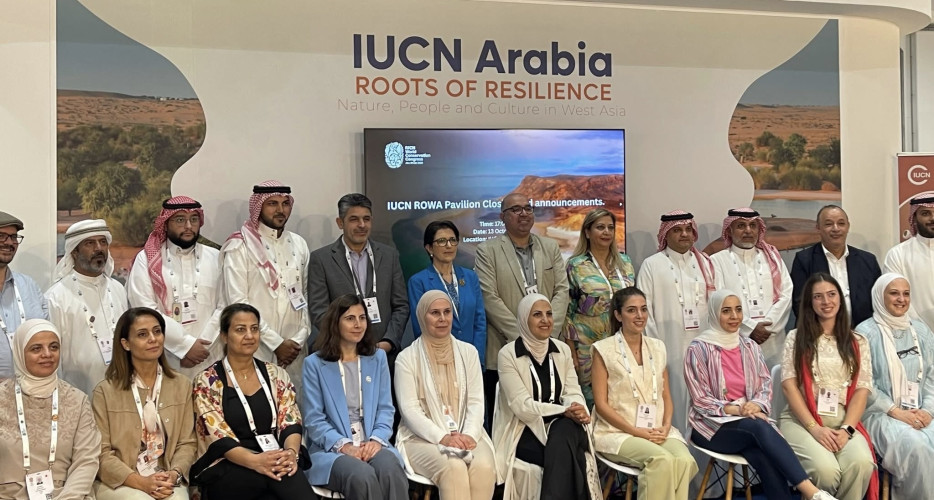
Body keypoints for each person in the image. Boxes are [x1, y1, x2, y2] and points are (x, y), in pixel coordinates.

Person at [684, 289, 838, 500]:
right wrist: (738, 409)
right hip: (709, 427)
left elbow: (765, 385)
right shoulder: (698, 349)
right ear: (714, 313)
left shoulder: (749, 346)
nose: (734, 316)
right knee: (759, 428)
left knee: (761, 454)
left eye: (738, 310)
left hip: (748, 422)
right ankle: (812, 492)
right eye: (726, 311)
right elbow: (701, 400)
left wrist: (756, 404)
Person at [190, 303, 315, 499]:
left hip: (276, 458)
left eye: (254, 329)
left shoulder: (276, 374)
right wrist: (255, 461)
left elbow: (290, 419)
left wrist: (291, 453)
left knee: (296, 485)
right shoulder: (207, 381)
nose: (249, 335)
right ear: (224, 336)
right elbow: (216, 434)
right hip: (230, 464)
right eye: (241, 330)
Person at [492, 293, 601, 500]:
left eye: (549, 314)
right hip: (526, 426)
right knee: (568, 454)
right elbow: (522, 406)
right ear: (524, 319)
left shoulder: (562, 349)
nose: (545, 320)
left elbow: (573, 391)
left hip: (564, 425)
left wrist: (576, 407)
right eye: (537, 315)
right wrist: (563, 410)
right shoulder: (508, 354)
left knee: (564, 433)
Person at [591, 287, 696, 500]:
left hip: (656, 429)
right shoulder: (604, 350)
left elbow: (666, 395)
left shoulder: (658, 347)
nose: (639, 315)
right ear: (618, 315)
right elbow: (601, 405)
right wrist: (636, 431)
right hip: (617, 432)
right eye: (631, 310)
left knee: (685, 461)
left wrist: (666, 426)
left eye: (643, 309)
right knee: (661, 460)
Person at [780, 273, 877, 500]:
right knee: (826, 472)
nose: (826, 301)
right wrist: (815, 428)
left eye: (832, 294)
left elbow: (862, 390)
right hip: (802, 420)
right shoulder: (796, 338)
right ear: (810, 302)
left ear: (840, 298)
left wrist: (847, 430)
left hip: (843, 420)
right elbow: (789, 387)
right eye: (818, 296)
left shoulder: (858, 341)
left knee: (861, 463)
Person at [476, 192, 569, 427]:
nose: (524, 214)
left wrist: (547, 333)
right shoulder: (487, 250)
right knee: (509, 423)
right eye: (516, 210)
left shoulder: (549, 247)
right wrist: (523, 338)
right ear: (502, 217)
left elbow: (562, 290)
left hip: (548, 350)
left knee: (551, 419)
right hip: (507, 348)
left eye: (528, 208)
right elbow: (489, 298)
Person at [301, 294, 407, 499]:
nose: (358, 324)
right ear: (335, 323)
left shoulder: (378, 357)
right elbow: (314, 420)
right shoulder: (314, 364)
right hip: (331, 449)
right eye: (350, 318)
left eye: (362, 318)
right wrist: (345, 446)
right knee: (362, 475)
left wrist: (376, 440)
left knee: (390, 468)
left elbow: (386, 409)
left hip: (371, 441)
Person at [394, 290, 496, 500]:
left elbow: (476, 401)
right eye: (435, 313)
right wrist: (443, 438)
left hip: (468, 432)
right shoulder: (406, 358)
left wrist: (469, 435)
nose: (442, 318)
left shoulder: (469, 353)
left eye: (447, 312)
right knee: (454, 467)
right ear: (422, 316)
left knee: (484, 466)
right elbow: (410, 410)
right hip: (422, 438)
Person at [91, 307, 197, 500]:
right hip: (122, 481)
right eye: (142, 334)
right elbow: (101, 454)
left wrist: (174, 474)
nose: (153, 339)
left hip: (166, 477)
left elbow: (187, 443)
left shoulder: (182, 385)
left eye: (157, 331)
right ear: (126, 344)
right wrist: (141, 482)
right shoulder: (105, 392)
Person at [219, 181, 310, 388]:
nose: (280, 210)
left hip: (294, 351)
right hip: (256, 347)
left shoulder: (299, 244)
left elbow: (304, 296)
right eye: (272, 204)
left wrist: (298, 340)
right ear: (258, 206)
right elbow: (238, 304)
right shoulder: (240, 246)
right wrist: (277, 344)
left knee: (292, 403)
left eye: (285, 204)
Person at [0, 319, 100, 499]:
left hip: (68, 494)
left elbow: (86, 461)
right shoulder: (2, 398)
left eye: (54, 347)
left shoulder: (77, 400)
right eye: (36, 349)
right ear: (20, 353)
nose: (47, 354)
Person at [635, 210, 716, 433]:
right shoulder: (651, 265)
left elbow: (716, 305)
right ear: (666, 234)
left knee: (703, 396)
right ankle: (677, 440)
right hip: (667, 346)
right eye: (677, 230)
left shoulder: (706, 263)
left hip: (703, 347)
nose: (684, 234)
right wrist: (655, 349)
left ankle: (703, 446)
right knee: (673, 397)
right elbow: (644, 311)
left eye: (688, 229)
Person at [855, 273, 934, 499]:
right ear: (880, 296)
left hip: (921, 411)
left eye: (906, 294)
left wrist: (928, 410)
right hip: (880, 414)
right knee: (916, 446)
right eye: (894, 293)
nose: (901, 299)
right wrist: (897, 412)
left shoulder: (921, 331)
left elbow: (931, 375)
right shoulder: (865, 333)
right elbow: (864, 384)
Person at [127, 196, 224, 378]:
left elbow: (225, 304)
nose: (188, 226)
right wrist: (185, 346)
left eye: (194, 219)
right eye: (180, 220)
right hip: (166, 357)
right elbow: (145, 308)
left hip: (210, 356)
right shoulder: (147, 259)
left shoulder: (215, 257)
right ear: (165, 224)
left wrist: (203, 346)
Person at [308, 193, 409, 361]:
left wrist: (388, 342)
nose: (362, 225)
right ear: (340, 223)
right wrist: (347, 343)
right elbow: (319, 310)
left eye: (366, 219)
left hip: (383, 354)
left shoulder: (389, 255)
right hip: (340, 354)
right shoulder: (321, 259)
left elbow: (401, 306)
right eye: (354, 219)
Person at [46, 219, 129, 395]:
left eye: (103, 242)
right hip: (78, 393)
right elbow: (51, 353)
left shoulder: (117, 288)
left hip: (122, 388)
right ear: (74, 252)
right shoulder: (56, 296)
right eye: (90, 243)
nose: (99, 248)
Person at [563, 208, 635, 407]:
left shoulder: (625, 262)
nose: (606, 232)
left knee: (621, 398)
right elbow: (567, 311)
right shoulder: (575, 265)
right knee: (594, 401)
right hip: (588, 346)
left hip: (621, 342)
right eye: (600, 227)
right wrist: (571, 351)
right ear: (587, 232)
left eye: (610, 228)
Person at [711, 208, 792, 367]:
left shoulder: (772, 257)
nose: (748, 230)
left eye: (753, 226)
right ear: (730, 230)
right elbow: (718, 301)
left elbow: (786, 293)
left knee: (775, 379)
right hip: (736, 340)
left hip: (773, 341)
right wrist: (750, 328)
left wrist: (768, 325)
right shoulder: (717, 261)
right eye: (741, 226)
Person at [407, 220, 486, 366]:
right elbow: (420, 327)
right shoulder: (418, 281)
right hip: (438, 360)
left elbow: (480, 321)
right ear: (429, 248)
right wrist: (439, 361)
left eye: (452, 240)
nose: (449, 245)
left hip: (471, 359)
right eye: (442, 241)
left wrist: (477, 358)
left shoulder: (470, 277)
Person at [791, 205, 881, 327]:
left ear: (848, 226)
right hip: (818, 332)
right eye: (829, 224)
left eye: (841, 223)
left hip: (862, 332)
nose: (836, 228)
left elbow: (878, 301)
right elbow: (800, 304)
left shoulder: (868, 260)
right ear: (818, 228)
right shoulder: (804, 260)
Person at [0, 211, 49, 380]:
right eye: (1, 236)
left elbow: (46, 337)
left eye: (13, 237)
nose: (9, 242)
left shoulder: (29, 286)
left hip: (31, 387)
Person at [884, 194, 934, 328]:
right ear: (914, 217)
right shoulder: (897, 254)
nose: (932, 218)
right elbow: (895, 297)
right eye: (925, 213)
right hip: (913, 331)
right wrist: (921, 330)